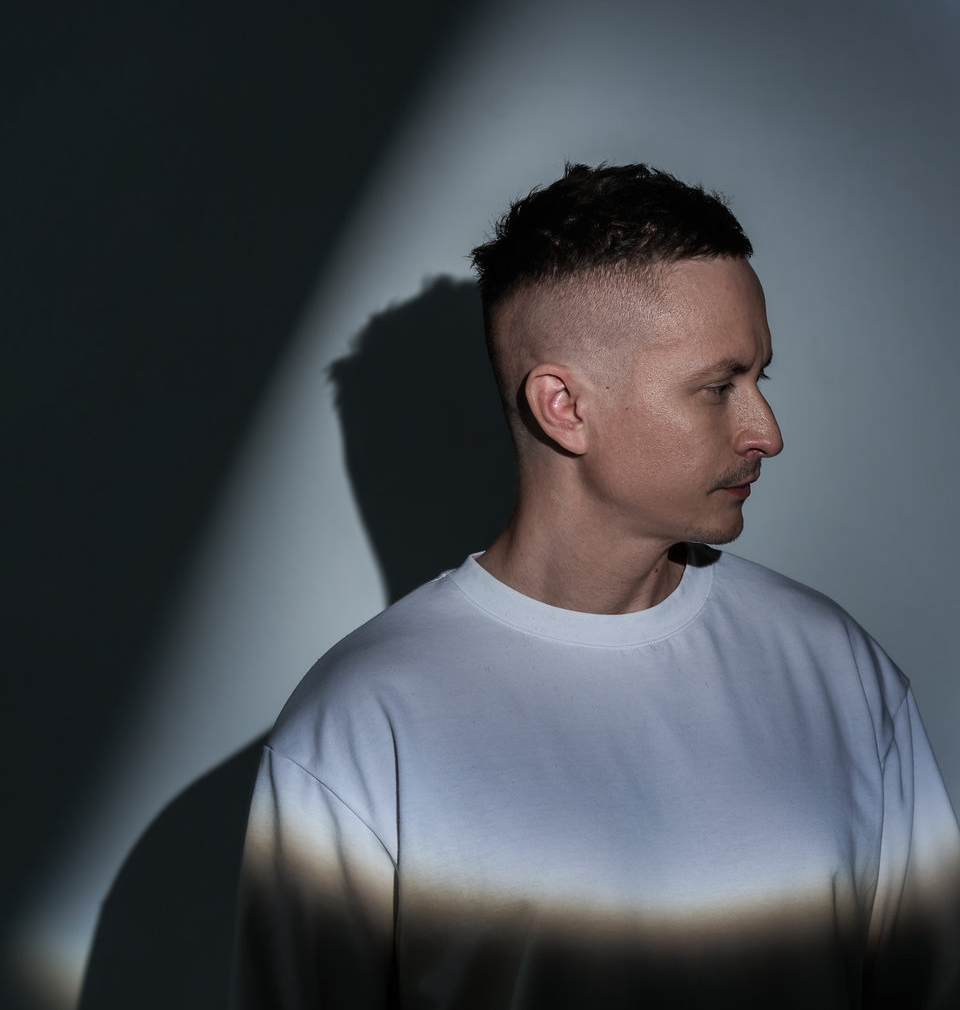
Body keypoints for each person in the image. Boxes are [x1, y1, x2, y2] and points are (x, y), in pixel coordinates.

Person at [230, 163, 960, 1008]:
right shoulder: (362, 726)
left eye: (760, 379)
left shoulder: (836, 669)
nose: (766, 430)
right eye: (719, 387)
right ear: (564, 407)